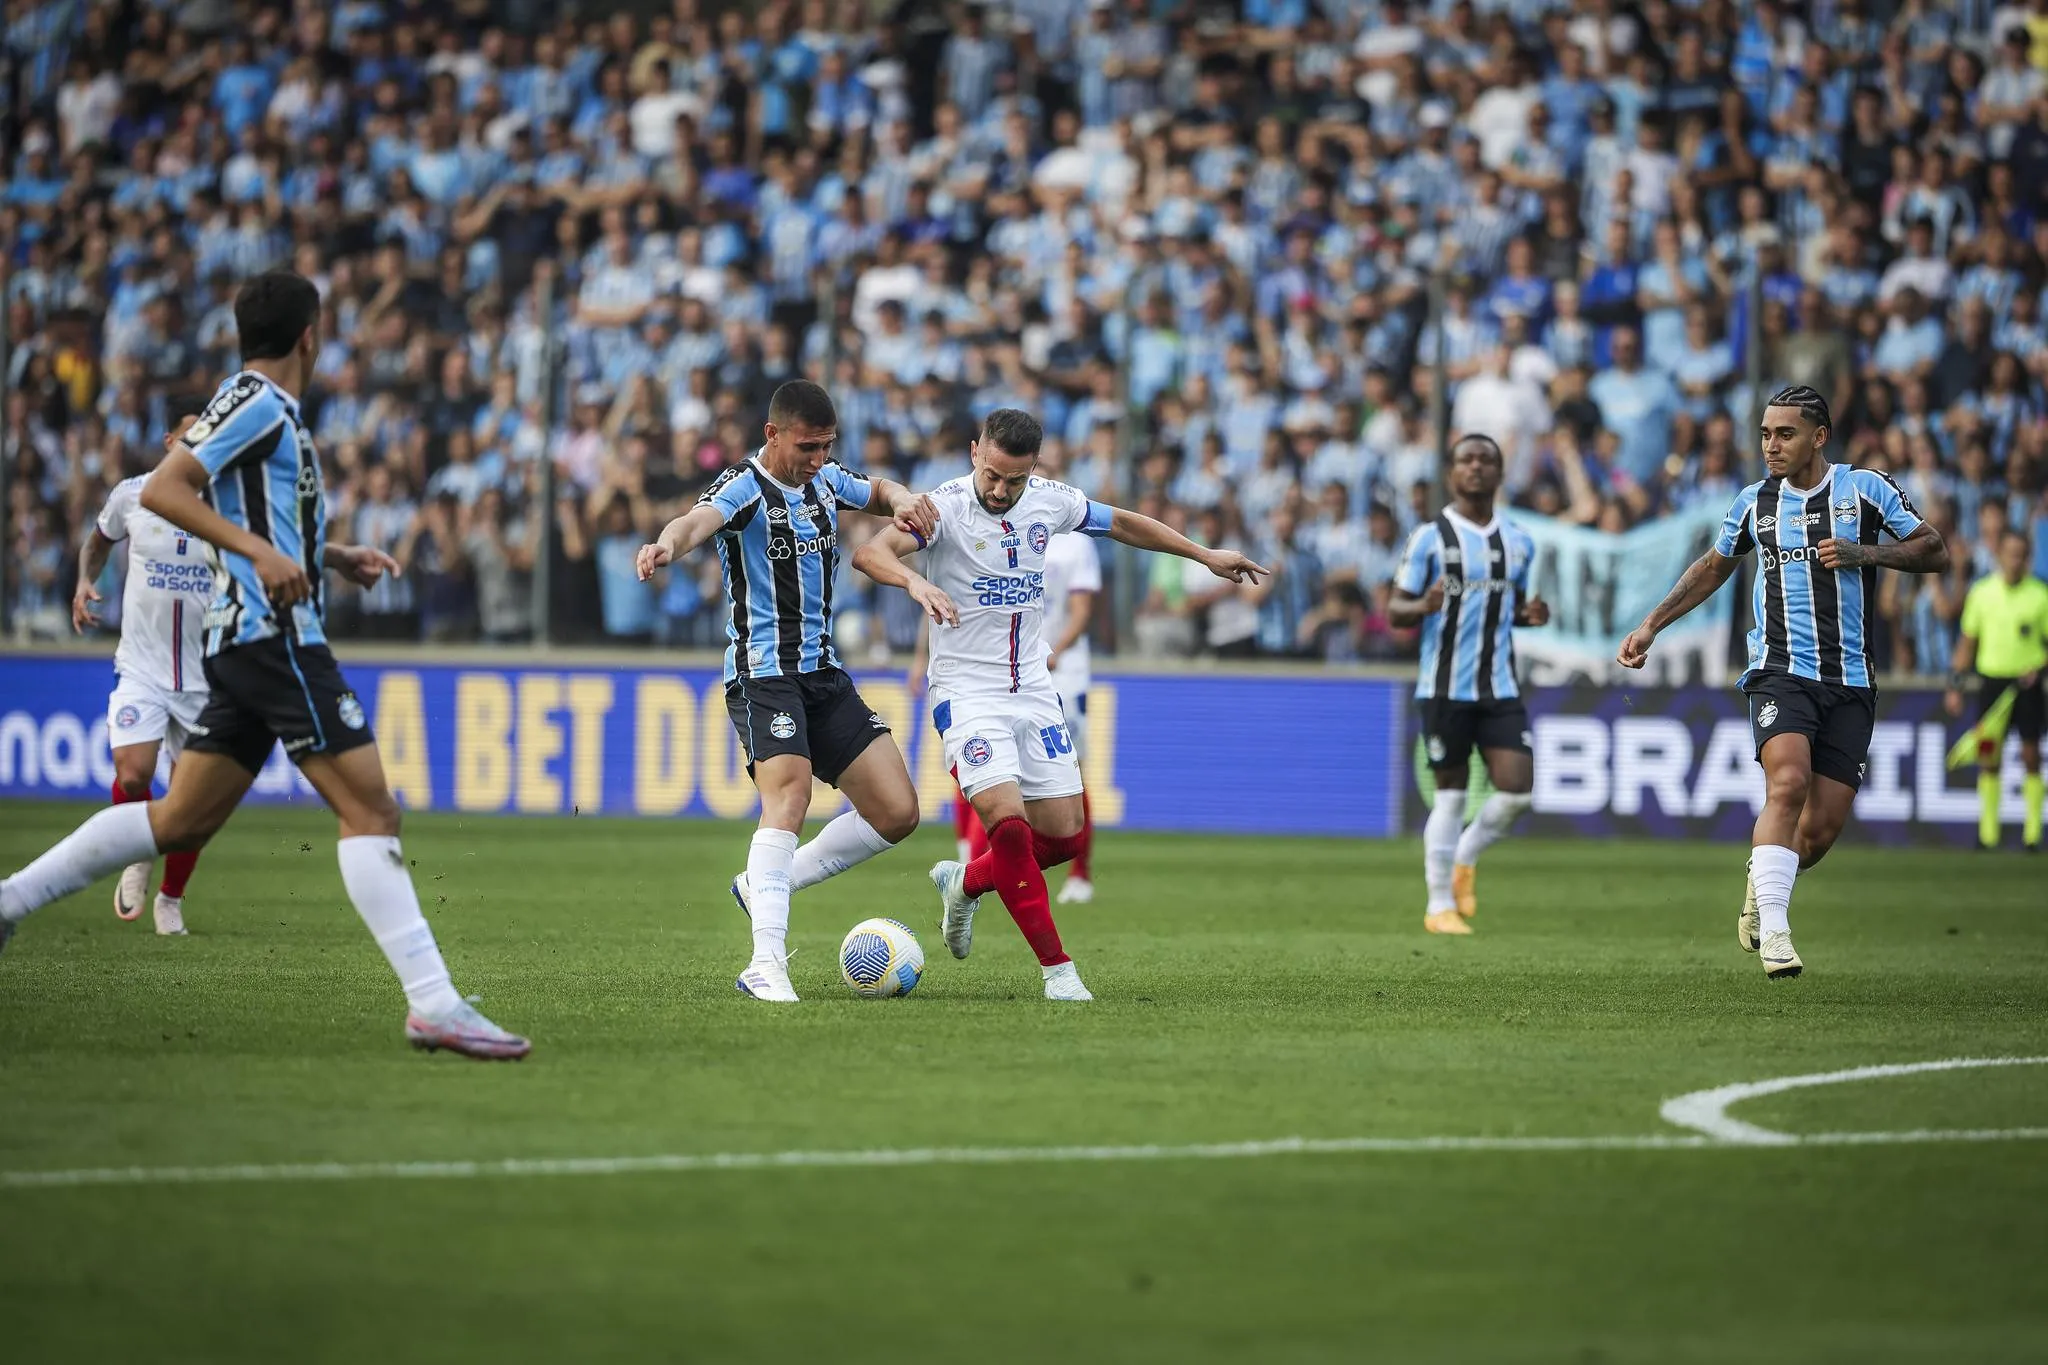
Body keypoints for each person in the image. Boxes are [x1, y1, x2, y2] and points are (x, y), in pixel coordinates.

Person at [2, 270, 530, 1060]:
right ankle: (434, 1003)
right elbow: (167, 492)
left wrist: (332, 552)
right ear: (310, 336)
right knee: (373, 809)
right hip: (276, 637)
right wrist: (257, 553)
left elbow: (257, 511)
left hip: (241, 640)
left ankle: (9, 902)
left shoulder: (248, 403)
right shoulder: (258, 403)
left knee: (178, 819)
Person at [852, 409, 1266, 1001]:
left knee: (1066, 835)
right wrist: (916, 583)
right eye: (992, 475)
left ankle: (965, 884)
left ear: (1033, 471)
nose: (1000, 490)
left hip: (1035, 686)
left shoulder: (1050, 501)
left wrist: (1203, 555)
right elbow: (871, 553)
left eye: (1013, 481)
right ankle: (1058, 972)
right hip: (968, 691)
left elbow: (1122, 523)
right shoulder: (941, 508)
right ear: (975, 452)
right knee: (1012, 830)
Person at [1619, 386, 1949, 978]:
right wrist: (1651, 626)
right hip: (1779, 671)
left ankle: (1761, 880)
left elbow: (1934, 550)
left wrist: (1865, 554)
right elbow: (1712, 568)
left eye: (1785, 434)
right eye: (1766, 434)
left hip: (1850, 680)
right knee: (1787, 781)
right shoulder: (1755, 502)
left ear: (1819, 437)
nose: (1771, 446)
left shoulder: (1867, 490)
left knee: (1817, 834)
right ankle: (1776, 932)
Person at [635, 380, 939, 1004]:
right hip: (763, 674)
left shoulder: (824, 480)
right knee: (791, 796)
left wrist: (903, 496)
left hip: (823, 674)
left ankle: (765, 883)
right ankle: (765, 962)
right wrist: (665, 544)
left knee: (898, 811)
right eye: (808, 446)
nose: (819, 459)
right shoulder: (743, 487)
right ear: (772, 435)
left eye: (827, 446)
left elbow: (876, 490)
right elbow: (695, 522)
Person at [1387, 435, 1550, 937]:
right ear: (1450, 472)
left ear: (1500, 473)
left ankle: (1464, 855)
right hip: (1443, 687)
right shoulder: (1430, 538)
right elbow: (1395, 610)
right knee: (1452, 798)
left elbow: (1512, 607)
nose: (1476, 468)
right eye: (1466, 460)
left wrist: (1530, 616)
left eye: (1486, 461)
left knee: (1518, 790)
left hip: (1498, 685)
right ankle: (1440, 906)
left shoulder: (1519, 542)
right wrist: (1422, 606)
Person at [71, 435, 215, 935]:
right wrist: (85, 580)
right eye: (196, 432)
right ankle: (138, 854)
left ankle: (171, 899)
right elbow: (97, 541)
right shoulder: (133, 493)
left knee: (193, 801)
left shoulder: (226, 504)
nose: (206, 441)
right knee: (134, 775)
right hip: (142, 666)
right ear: (172, 439)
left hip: (203, 676)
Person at [1946, 528, 2048, 851]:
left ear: (2027, 558)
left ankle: (2032, 833)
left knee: (2031, 754)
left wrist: (2040, 667)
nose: (2015, 561)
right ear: (2000, 555)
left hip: (2027, 685)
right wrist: (1956, 685)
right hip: (1992, 682)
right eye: (2010, 553)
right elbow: (1967, 642)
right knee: (1989, 756)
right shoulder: (1982, 593)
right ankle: (1988, 834)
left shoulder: (2040, 595)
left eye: (2021, 554)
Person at [1042, 523, 1102, 904]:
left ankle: (1080, 874)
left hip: (1065, 671)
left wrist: (1055, 652)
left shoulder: (1076, 545)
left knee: (1072, 771)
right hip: (1024, 669)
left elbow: (1081, 613)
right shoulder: (1007, 533)